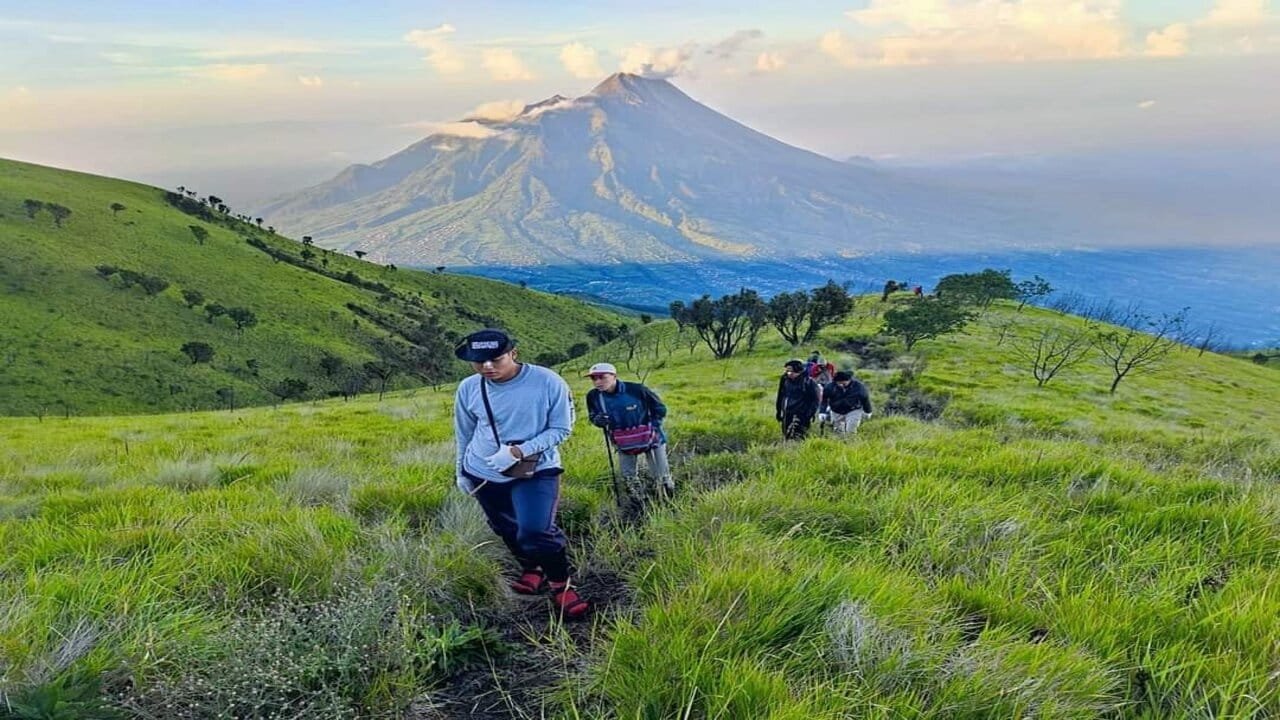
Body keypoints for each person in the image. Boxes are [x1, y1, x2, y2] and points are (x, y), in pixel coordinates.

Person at [452, 329, 589, 619]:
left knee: (535, 530)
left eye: (495, 359)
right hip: (483, 470)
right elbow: (463, 431)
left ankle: (560, 584)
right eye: (478, 361)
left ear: (514, 353)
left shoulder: (548, 382)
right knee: (505, 528)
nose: (487, 366)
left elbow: (561, 429)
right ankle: (531, 568)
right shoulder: (468, 387)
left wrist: (519, 451)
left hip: (536, 468)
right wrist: (461, 471)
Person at [584, 362, 673, 512]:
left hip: (653, 439)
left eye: (602, 377)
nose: (597, 382)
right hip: (622, 441)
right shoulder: (593, 396)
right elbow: (593, 416)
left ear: (614, 376)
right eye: (593, 378)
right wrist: (598, 420)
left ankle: (669, 503)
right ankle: (640, 505)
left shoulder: (637, 390)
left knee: (662, 475)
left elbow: (660, 409)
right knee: (629, 477)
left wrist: (651, 427)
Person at [776, 359, 820, 440]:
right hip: (787, 412)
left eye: (791, 371)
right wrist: (779, 411)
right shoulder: (785, 379)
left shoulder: (808, 382)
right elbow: (780, 395)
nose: (789, 373)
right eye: (787, 371)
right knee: (787, 435)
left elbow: (815, 400)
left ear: (798, 371)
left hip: (802, 413)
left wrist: (809, 414)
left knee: (800, 436)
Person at [821, 370, 873, 435]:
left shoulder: (859, 387)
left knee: (850, 430)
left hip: (853, 410)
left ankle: (851, 443)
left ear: (849, 380)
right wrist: (822, 412)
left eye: (843, 383)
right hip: (836, 411)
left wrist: (868, 411)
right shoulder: (829, 387)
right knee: (837, 432)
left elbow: (865, 399)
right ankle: (840, 444)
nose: (841, 385)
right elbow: (824, 400)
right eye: (839, 383)